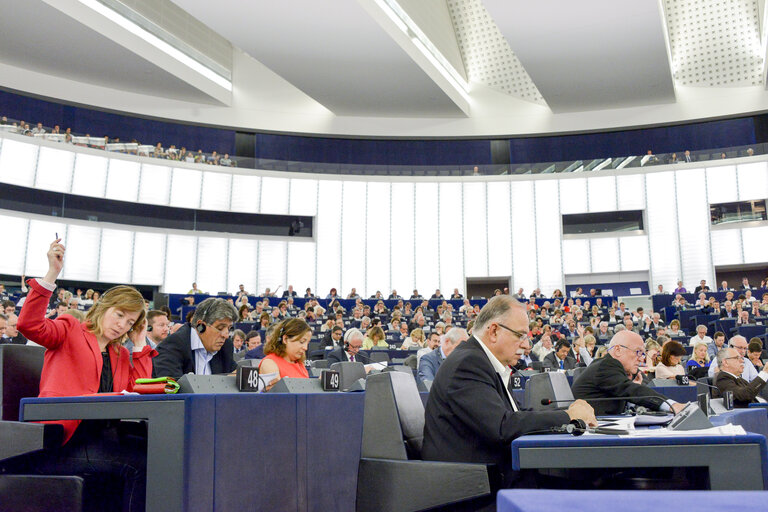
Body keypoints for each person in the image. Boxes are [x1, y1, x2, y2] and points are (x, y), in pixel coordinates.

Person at [15, 238, 154, 512]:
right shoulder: (69, 328)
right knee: (140, 464)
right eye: (119, 315)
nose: (121, 325)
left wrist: (139, 344)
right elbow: (28, 325)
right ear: (104, 306)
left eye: (129, 322)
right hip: (62, 442)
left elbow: (139, 390)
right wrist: (52, 274)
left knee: (158, 454)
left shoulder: (120, 353)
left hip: (101, 438)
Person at [422, 296, 596, 490]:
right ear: (494, 331)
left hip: (500, 477)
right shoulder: (468, 363)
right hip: (478, 490)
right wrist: (568, 417)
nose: (525, 345)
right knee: (594, 490)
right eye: (520, 335)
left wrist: (566, 414)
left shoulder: (484, 361)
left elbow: (513, 417)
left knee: (592, 483)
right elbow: (502, 428)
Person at [572, 330, 686, 415]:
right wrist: (672, 405)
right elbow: (632, 390)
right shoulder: (606, 365)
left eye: (642, 353)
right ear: (618, 350)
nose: (641, 358)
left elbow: (638, 388)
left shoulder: (623, 368)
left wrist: (633, 386)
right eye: (638, 352)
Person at [152, 297, 238, 379]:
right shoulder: (170, 347)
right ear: (200, 325)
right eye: (220, 328)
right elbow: (173, 390)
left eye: (229, 328)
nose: (226, 335)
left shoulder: (226, 347)